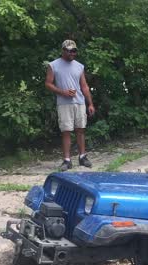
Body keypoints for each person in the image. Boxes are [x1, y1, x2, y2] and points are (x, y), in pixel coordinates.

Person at [45, 40, 96, 172]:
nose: (72, 53)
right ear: (63, 50)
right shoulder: (53, 65)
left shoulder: (79, 66)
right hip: (64, 103)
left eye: (74, 51)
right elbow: (48, 83)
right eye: (69, 50)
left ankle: (82, 157)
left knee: (80, 129)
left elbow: (84, 86)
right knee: (66, 131)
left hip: (79, 102)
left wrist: (90, 103)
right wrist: (63, 92)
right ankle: (67, 160)